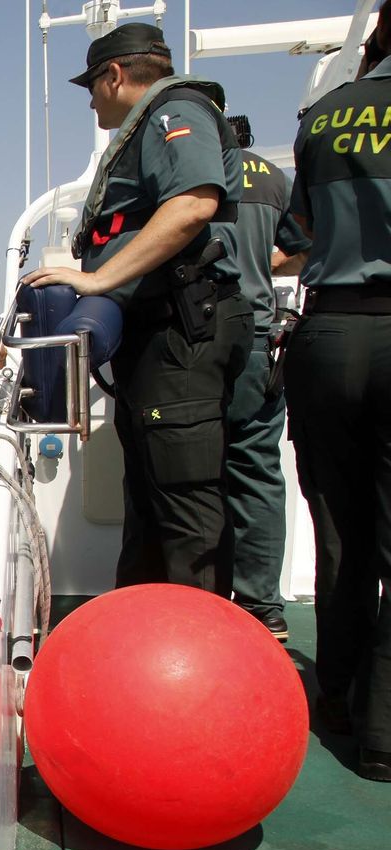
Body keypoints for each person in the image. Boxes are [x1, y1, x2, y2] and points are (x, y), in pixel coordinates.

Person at [25, 23, 252, 595]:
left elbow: (193, 204)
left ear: (115, 75)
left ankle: (196, 654)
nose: (94, 100)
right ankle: (145, 634)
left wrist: (99, 278)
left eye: (92, 87)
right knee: (151, 497)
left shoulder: (177, 111)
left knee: (184, 503)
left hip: (183, 330)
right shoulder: (152, 121)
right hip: (157, 335)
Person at [285, 1, 391, 783]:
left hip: (329, 336)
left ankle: (343, 698)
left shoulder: (324, 116)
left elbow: (301, 234)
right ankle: (384, 734)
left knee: (339, 531)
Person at [222, 113, 310, 640]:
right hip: (259, 340)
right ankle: (262, 607)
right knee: (257, 472)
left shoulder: (198, 170)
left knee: (192, 476)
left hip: (201, 341)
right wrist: (260, 262)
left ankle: (204, 598)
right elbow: (303, 247)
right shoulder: (274, 179)